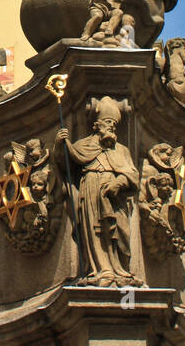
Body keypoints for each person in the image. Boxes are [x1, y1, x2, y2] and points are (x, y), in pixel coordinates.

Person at [56, 96, 139, 285]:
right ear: (96, 126)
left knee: (121, 232)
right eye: (106, 122)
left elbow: (133, 174)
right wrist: (59, 144)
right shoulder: (84, 145)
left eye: (113, 123)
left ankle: (121, 269)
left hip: (115, 195)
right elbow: (64, 163)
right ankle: (101, 269)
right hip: (91, 189)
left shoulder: (122, 150)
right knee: (95, 231)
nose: (111, 126)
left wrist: (119, 182)